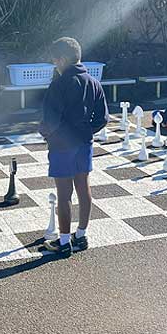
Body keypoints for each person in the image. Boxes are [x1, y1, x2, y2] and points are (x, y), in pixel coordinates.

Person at [39, 37, 109, 256]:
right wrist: (86, 131)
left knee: (64, 194)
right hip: (84, 143)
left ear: (61, 59)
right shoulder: (94, 83)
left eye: (55, 61)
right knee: (83, 188)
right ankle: (81, 235)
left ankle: (63, 242)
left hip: (62, 145)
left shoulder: (59, 84)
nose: (55, 65)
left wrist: (45, 133)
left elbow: (50, 120)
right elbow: (103, 118)